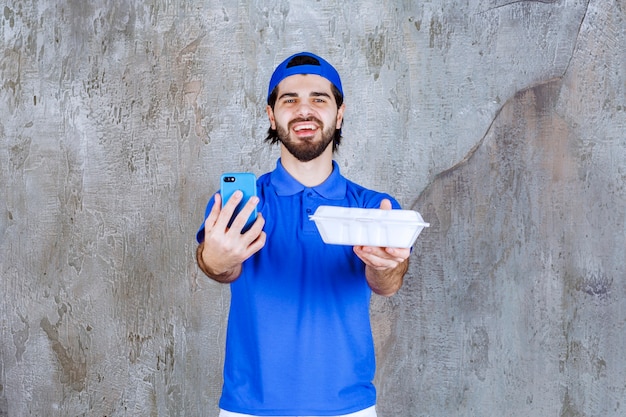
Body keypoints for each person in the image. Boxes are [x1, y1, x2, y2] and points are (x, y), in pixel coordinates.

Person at [196, 52, 410, 417]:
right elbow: (220, 268)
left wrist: (386, 266)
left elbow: (387, 283)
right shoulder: (238, 206)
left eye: (319, 99)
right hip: (248, 408)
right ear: (271, 114)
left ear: (339, 114)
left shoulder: (374, 207)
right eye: (289, 99)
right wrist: (214, 260)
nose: (304, 110)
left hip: (349, 408)